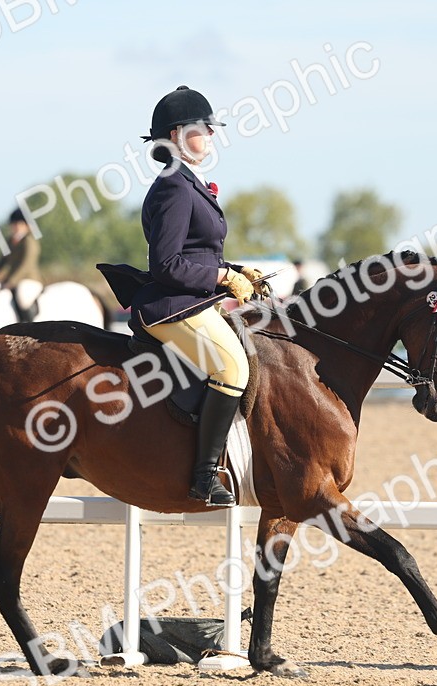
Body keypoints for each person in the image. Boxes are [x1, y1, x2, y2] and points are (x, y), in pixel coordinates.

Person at [132, 85, 267, 507]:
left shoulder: (188, 183)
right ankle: (205, 476)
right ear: (175, 135)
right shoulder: (174, 186)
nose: (211, 133)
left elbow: (201, 253)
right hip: (172, 305)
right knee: (232, 369)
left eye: (211, 128)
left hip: (194, 299)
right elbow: (167, 265)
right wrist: (224, 278)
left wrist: (238, 269)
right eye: (202, 128)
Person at [0, 208, 42, 322]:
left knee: (22, 298)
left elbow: (26, 265)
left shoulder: (29, 241)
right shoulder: (10, 241)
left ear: (26, 225)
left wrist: (11, 281)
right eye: (14, 224)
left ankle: (29, 324)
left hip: (28, 280)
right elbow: (2, 262)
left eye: (19, 224)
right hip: (13, 280)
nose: (16, 227)